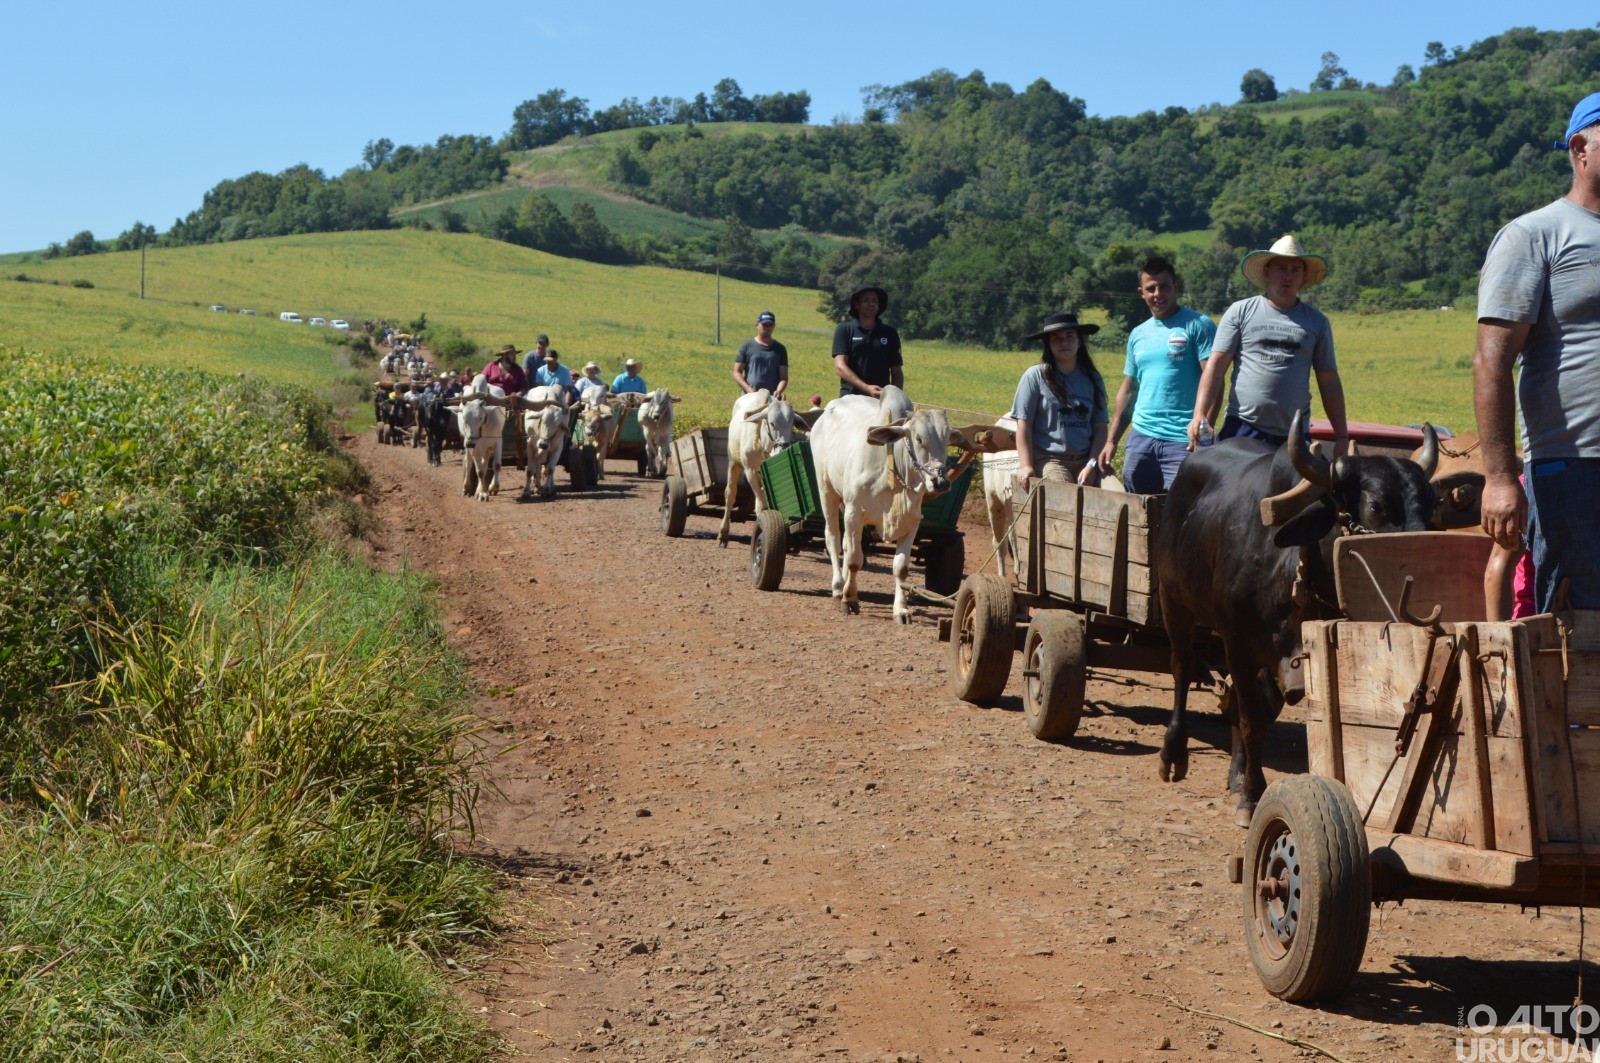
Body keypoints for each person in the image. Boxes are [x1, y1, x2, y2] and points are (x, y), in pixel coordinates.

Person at [1476, 91, 1600, 613]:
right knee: (1576, 628)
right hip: (1573, 469)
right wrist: (1502, 478)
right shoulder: (1536, 235)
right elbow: (1492, 360)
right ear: (1581, 147)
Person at [1187, 234, 1348, 457]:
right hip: (1243, 427)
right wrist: (1199, 415)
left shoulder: (1317, 322)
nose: (1288, 276)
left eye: (1295, 270)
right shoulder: (1241, 311)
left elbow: (1328, 379)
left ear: (1303, 276)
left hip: (1293, 433)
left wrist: (1341, 436)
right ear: (1266, 271)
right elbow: (1215, 368)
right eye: (1281, 267)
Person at [1099, 255, 1217, 493]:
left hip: (1184, 439)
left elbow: (1214, 378)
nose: (1158, 294)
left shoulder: (1198, 325)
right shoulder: (1138, 334)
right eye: (1151, 288)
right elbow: (1129, 388)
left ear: (1176, 287)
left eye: (1164, 286)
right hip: (1141, 437)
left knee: (1184, 508)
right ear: (1141, 292)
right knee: (1139, 509)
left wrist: (1204, 435)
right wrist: (1112, 440)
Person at [1010, 312, 1109, 491]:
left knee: (1118, 494)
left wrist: (1092, 465)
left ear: (1079, 341)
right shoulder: (1035, 376)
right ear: (1048, 345)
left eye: (1070, 336)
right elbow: (1023, 425)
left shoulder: (1093, 379)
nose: (1064, 343)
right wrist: (1026, 465)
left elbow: (1100, 428)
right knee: (1065, 495)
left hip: (1086, 460)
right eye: (1056, 339)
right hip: (1049, 459)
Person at [831, 285, 903, 398]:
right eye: (866, 300)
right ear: (857, 304)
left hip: (881, 398)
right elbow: (840, 367)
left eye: (874, 300)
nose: (871, 304)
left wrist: (894, 396)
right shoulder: (844, 329)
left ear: (879, 306)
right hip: (850, 398)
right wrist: (866, 388)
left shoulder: (890, 333)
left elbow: (897, 371)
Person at [734, 311, 789, 397]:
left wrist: (778, 391)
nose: (767, 328)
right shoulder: (747, 346)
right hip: (749, 396)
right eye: (764, 325)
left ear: (774, 326)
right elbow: (737, 372)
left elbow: (783, 377)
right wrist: (748, 389)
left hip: (772, 398)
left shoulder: (780, 349)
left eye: (770, 325)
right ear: (757, 325)